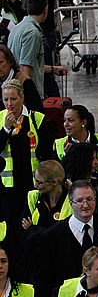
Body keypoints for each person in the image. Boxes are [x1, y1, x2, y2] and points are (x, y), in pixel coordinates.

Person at [0, 79, 54, 226]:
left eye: (13, 99)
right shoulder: (0, 119)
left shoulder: (36, 119)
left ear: (22, 98)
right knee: (11, 225)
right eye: (6, 99)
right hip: (8, 186)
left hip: (33, 184)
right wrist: (5, 129)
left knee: (31, 222)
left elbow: (47, 152)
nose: (9, 104)